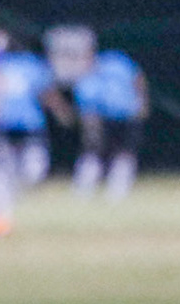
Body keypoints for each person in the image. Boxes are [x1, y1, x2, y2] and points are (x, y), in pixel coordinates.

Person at [48, 24, 148, 199]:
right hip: (100, 118)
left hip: (126, 115)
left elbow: (137, 78)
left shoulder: (116, 61)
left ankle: (118, 191)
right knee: (93, 152)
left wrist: (142, 102)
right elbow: (85, 99)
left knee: (125, 153)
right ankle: (84, 189)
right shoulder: (83, 73)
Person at [0, 37, 54, 235]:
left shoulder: (5, 64)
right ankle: (1, 211)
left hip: (20, 124)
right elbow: (47, 94)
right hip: (14, 124)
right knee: (8, 170)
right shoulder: (10, 64)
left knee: (26, 171)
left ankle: (6, 201)